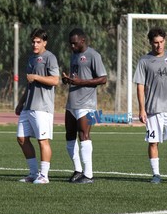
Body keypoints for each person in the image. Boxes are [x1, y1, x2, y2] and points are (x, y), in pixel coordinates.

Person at [133, 27, 167, 184]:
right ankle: (156, 174)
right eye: (156, 42)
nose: (159, 45)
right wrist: (142, 109)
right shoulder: (144, 61)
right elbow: (140, 86)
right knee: (153, 142)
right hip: (152, 110)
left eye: (162, 42)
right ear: (150, 42)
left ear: (165, 40)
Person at [62, 28, 107, 184]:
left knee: (84, 135)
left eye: (74, 43)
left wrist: (81, 82)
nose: (72, 46)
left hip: (87, 104)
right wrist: (68, 80)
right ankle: (78, 170)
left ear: (82, 40)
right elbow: (77, 77)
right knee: (69, 134)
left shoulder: (93, 55)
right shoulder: (74, 55)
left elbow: (103, 79)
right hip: (72, 102)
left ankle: (88, 175)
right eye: (70, 44)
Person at [15, 28, 59, 184]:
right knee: (21, 138)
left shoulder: (50, 58)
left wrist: (36, 77)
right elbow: (29, 85)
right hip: (28, 106)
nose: (35, 44)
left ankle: (44, 176)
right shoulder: (31, 59)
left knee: (43, 140)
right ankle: (34, 173)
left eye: (38, 41)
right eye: (33, 41)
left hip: (42, 107)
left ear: (44, 43)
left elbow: (55, 80)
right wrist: (21, 103)